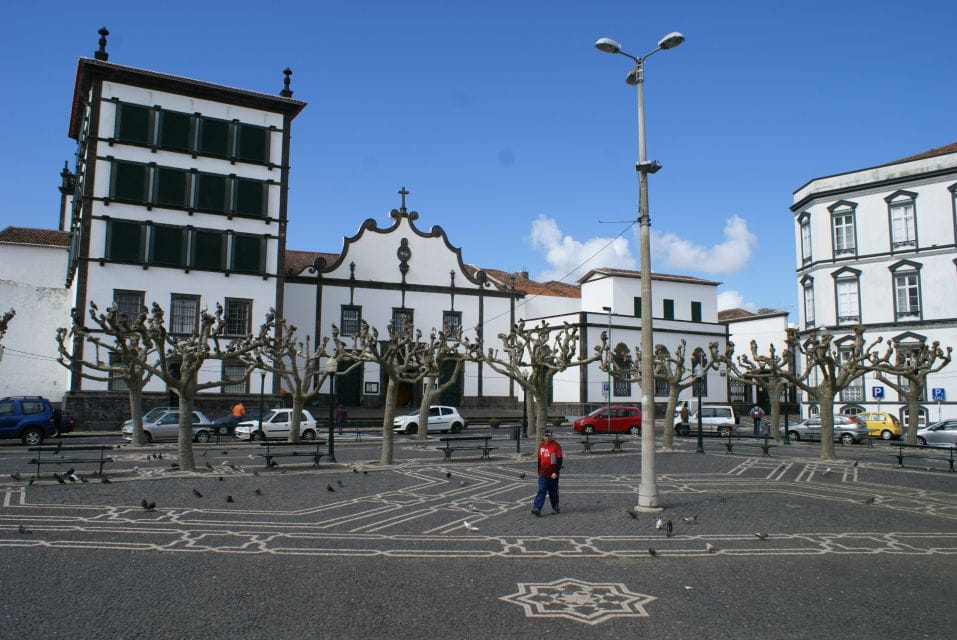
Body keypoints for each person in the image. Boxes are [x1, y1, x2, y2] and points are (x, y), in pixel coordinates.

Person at [532, 429, 562, 516]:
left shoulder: (556, 446)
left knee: (553, 491)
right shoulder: (541, 446)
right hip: (543, 473)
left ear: (551, 437)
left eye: (549, 436)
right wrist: (539, 472)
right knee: (542, 490)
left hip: (553, 473)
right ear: (543, 437)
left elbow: (559, 460)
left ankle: (555, 507)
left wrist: (556, 472)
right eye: (546, 436)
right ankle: (537, 508)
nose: (547, 438)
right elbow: (539, 459)